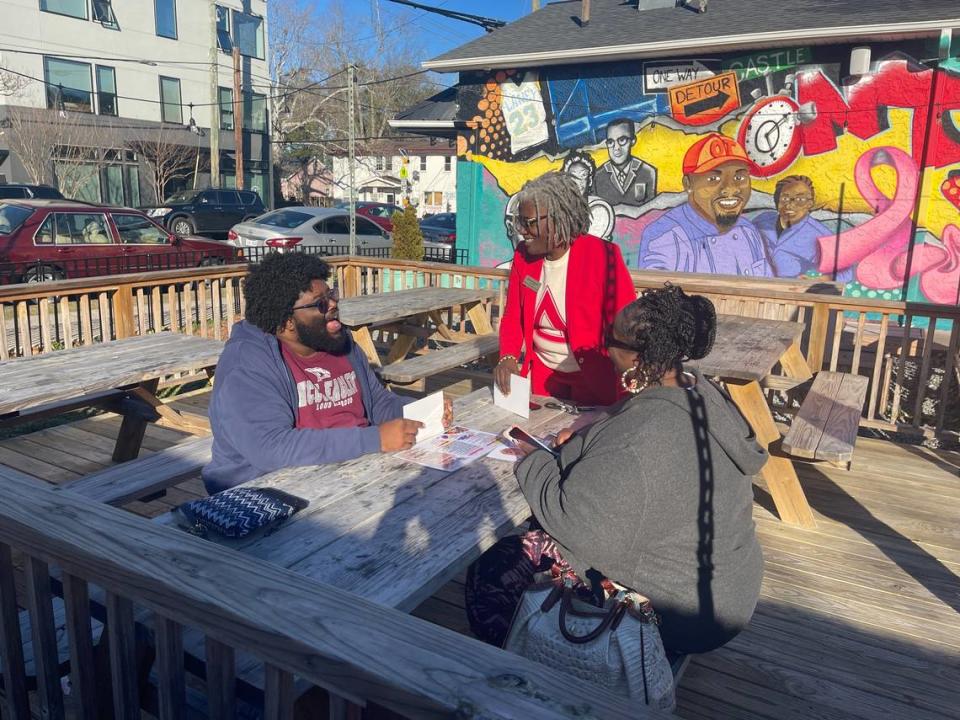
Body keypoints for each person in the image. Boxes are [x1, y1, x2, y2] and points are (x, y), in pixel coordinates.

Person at [469, 286, 765, 654]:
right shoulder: (701, 392)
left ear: (639, 358)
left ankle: (536, 675)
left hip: (679, 614)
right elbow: (640, 428)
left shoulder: (639, 439)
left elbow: (575, 525)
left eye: (611, 340)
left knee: (497, 572)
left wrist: (532, 457)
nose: (604, 348)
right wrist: (602, 419)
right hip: (728, 587)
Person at [202, 253, 449, 494]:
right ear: (287, 321)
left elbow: (377, 404)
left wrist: (420, 414)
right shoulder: (246, 365)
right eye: (321, 303)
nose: (333, 305)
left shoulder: (341, 343)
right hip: (265, 490)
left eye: (332, 295)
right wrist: (374, 439)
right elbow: (272, 449)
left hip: (350, 473)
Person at [495, 172, 636, 406]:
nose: (522, 230)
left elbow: (625, 326)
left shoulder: (603, 256)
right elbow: (513, 316)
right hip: (541, 375)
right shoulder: (523, 256)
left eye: (528, 222)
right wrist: (508, 356)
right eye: (519, 222)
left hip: (594, 378)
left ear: (557, 219)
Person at [639, 133, 773, 277]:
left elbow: (768, 292)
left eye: (739, 177)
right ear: (688, 184)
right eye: (713, 178)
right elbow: (655, 297)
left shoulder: (748, 231)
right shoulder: (666, 236)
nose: (731, 188)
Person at [753, 175, 848, 280]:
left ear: (810, 204)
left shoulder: (821, 236)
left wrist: (823, 279)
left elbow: (845, 272)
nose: (790, 205)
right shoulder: (763, 220)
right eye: (785, 198)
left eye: (800, 199)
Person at [593, 117, 658, 208]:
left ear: (633, 141)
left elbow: (652, 211)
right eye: (611, 142)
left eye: (622, 140)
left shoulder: (648, 172)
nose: (616, 148)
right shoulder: (597, 176)